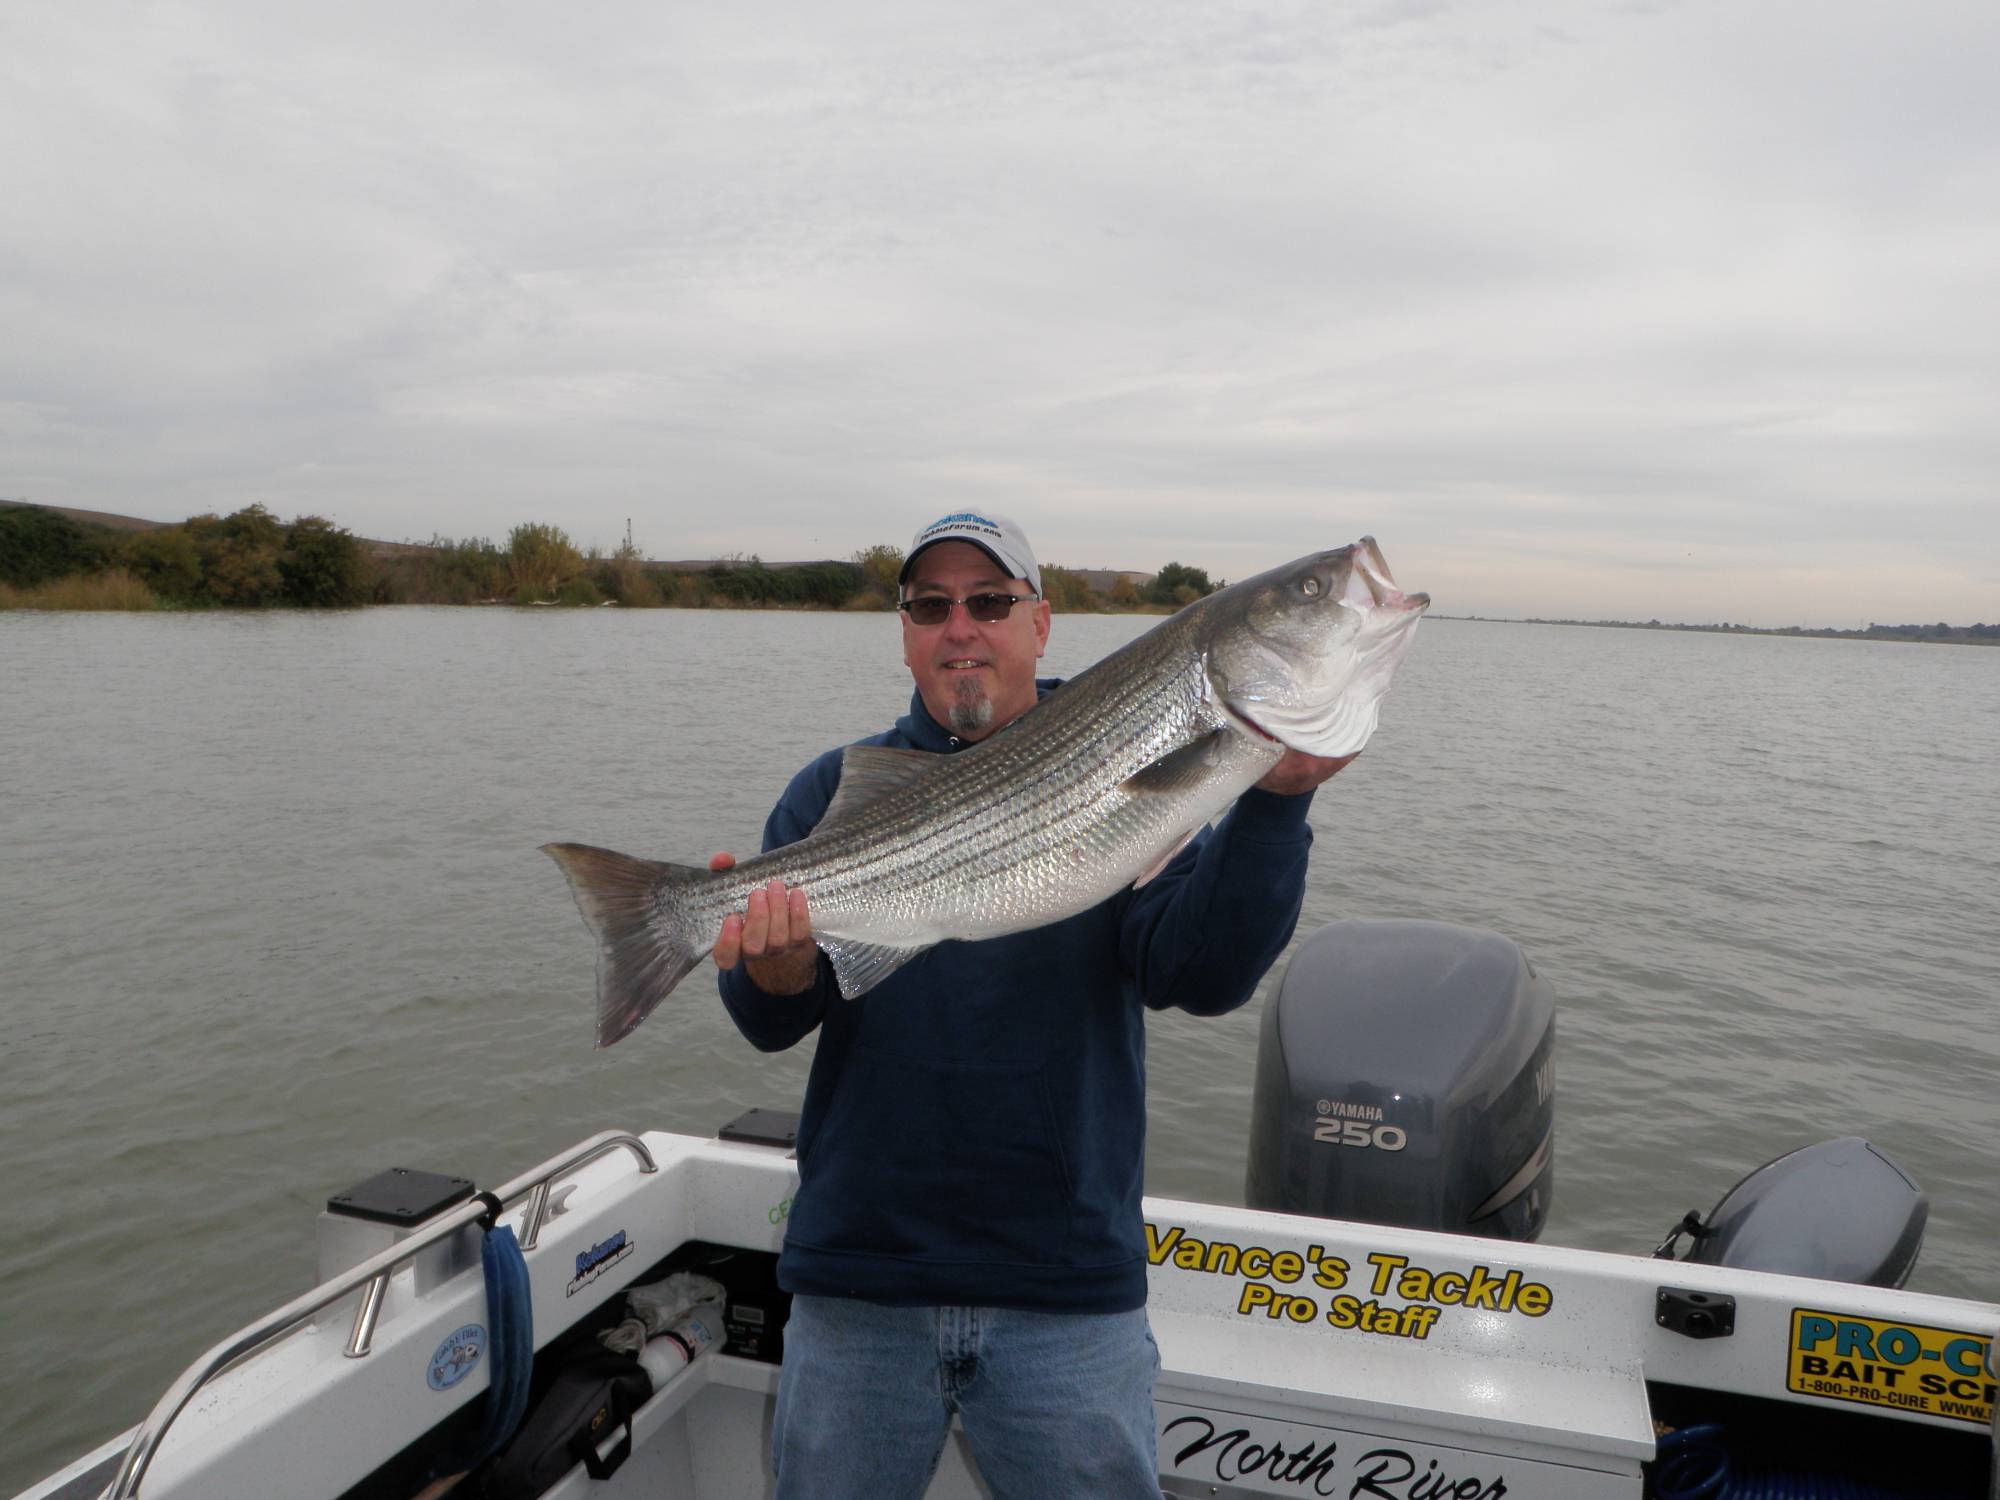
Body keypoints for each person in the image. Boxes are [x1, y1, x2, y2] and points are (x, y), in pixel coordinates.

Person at [711, 511, 1351, 1499]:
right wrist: (775, 965)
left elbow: (1203, 974)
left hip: (1065, 1291)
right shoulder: (836, 789)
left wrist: (1275, 800)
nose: (959, 628)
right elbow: (767, 1020)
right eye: (930, 606)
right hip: (859, 1283)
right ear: (906, 633)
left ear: (1040, 623)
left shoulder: (1133, 764)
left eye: (988, 602)